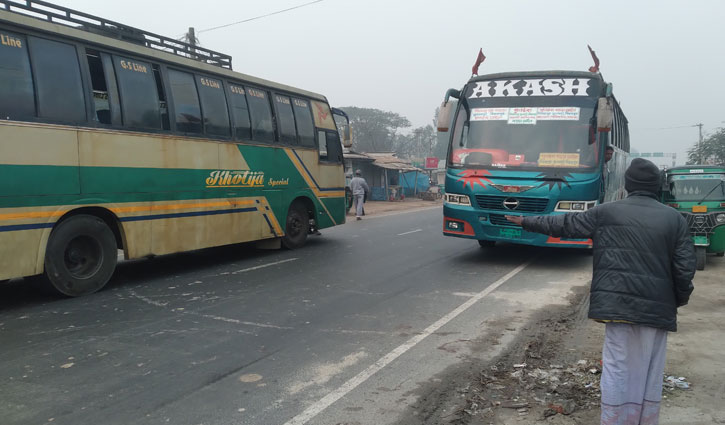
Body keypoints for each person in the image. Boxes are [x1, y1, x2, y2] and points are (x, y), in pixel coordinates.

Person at [506, 158, 695, 425]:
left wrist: (526, 221)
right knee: (650, 370)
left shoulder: (606, 212)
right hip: (658, 308)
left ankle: (616, 420)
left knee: (618, 367)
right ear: (657, 186)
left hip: (617, 307)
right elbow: (684, 269)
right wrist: (677, 300)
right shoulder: (674, 219)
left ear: (628, 185)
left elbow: (564, 225)